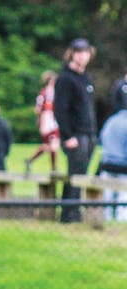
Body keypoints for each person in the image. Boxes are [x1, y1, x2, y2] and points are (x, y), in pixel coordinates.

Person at [53, 38, 98, 223]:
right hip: (76, 135)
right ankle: (69, 214)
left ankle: (74, 211)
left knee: (81, 174)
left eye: (86, 52)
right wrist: (68, 136)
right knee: (75, 174)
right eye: (79, 52)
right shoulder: (65, 78)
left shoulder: (85, 78)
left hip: (89, 133)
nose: (83, 56)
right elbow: (60, 110)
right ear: (72, 54)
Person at [26, 70, 60, 173]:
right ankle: (53, 168)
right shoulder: (44, 93)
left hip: (54, 120)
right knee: (51, 144)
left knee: (50, 145)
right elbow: (38, 109)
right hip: (47, 121)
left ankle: (31, 160)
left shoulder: (56, 93)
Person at [97, 108, 127, 221]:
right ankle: (122, 220)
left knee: (107, 197)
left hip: (106, 165)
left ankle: (107, 219)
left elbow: (101, 139)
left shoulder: (111, 120)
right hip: (123, 167)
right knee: (123, 197)